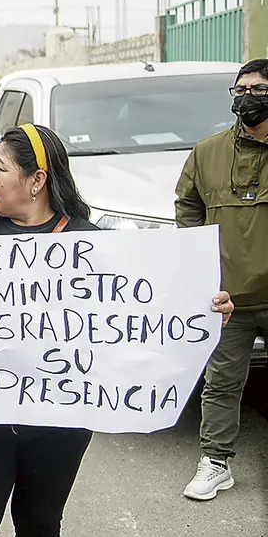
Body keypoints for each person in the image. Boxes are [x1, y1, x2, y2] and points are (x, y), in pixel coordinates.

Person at [0, 124, 235, 536]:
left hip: (61, 424)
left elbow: (147, 309)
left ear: (37, 181)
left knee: (41, 523)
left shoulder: (91, 244)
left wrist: (205, 311)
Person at [175, 58, 268, 500]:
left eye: (259, 88)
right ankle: (216, 462)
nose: (248, 97)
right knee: (222, 382)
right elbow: (187, 207)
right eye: (241, 89)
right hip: (228, 296)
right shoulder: (207, 152)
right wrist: (199, 270)